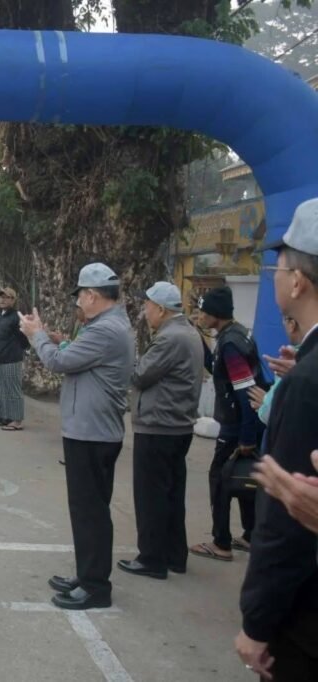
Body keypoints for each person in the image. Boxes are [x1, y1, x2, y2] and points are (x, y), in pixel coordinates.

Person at [20, 262, 134, 610]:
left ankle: (95, 586)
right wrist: (60, 341)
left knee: (90, 512)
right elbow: (76, 356)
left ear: (93, 295)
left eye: (80, 295)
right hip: (91, 431)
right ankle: (87, 575)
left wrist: (36, 335)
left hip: (92, 434)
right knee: (88, 509)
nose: (78, 302)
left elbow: (58, 363)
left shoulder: (105, 330)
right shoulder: (107, 326)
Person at [236, 198, 318, 679]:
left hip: (303, 623)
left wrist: (257, 621)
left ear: (298, 282)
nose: (275, 278)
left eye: (278, 268)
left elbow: (288, 518)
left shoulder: (307, 382)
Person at [116, 282, 203, 580]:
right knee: (171, 493)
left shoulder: (170, 338)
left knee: (151, 495)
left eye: (148, 306)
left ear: (162, 309)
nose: (145, 312)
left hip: (159, 425)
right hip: (177, 425)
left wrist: (127, 358)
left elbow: (140, 375)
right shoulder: (188, 332)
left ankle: (152, 558)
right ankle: (174, 555)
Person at [190, 286, 267, 563]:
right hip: (246, 422)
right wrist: (199, 339)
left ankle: (221, 542)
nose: (200, 316)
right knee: (245, 477)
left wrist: (246, 436)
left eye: (204, 312)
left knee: (220, 479)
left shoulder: (231, 344)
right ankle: (251, 534)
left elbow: (245, 393)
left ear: (216, 314)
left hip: (238, 424)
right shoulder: (236, 334)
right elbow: (217, 367)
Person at [0, 287, 29, 430]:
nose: (2, 300)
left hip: (12, 358)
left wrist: (17, 350)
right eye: (1, 297)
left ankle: (16, 420)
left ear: (13, 300)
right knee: (0, 388)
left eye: (6, 297)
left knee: (13, 388)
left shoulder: (16, 317)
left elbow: (24, 339)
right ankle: (4, 416)